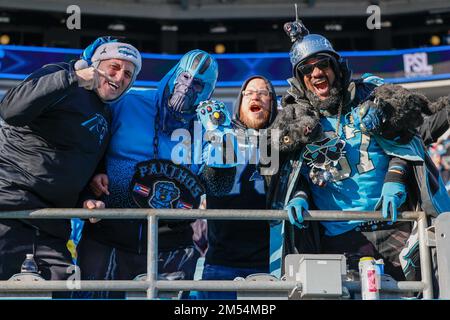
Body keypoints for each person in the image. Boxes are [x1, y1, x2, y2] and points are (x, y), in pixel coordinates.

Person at [268, 20, 450, 288]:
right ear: (300, 79)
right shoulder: (295, 120)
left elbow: (409, 139)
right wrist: (298, 196)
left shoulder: (369, 97)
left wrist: (396, 179)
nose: (317, 72)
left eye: (323, 64)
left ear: (337, 67)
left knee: (415, 293)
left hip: (396, 228)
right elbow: (288, 174)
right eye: (307, 69)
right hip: (341, 236)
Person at [76, 50, 227, 299]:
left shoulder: (206, 124)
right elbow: (89, 146)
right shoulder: (128, 102)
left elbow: (219, 187)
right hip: (108, 235)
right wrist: (98, 173)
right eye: (185, 77)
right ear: (174, 74)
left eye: (197, 84)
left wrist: (223, 140)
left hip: (171, 245)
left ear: (207, 91)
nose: (187, 87)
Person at [0, 36, 141, 282]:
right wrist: (72, 78)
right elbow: (11, 110)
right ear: (94, 65)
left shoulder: (107, 115)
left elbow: (79, 170)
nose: (120, 78)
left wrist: (87, 200)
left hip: (51, 225)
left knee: (62, 290)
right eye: (114, 68)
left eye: (128, 74)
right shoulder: (60, 74)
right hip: (9, 211)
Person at [197, 75, 278, 300]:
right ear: (239, 103)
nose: (256, 96)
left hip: (271, 263)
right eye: (249, 92)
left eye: (263, 92)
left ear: (272, 103)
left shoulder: (283, 142)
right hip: (221, 262)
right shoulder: (218, 135)